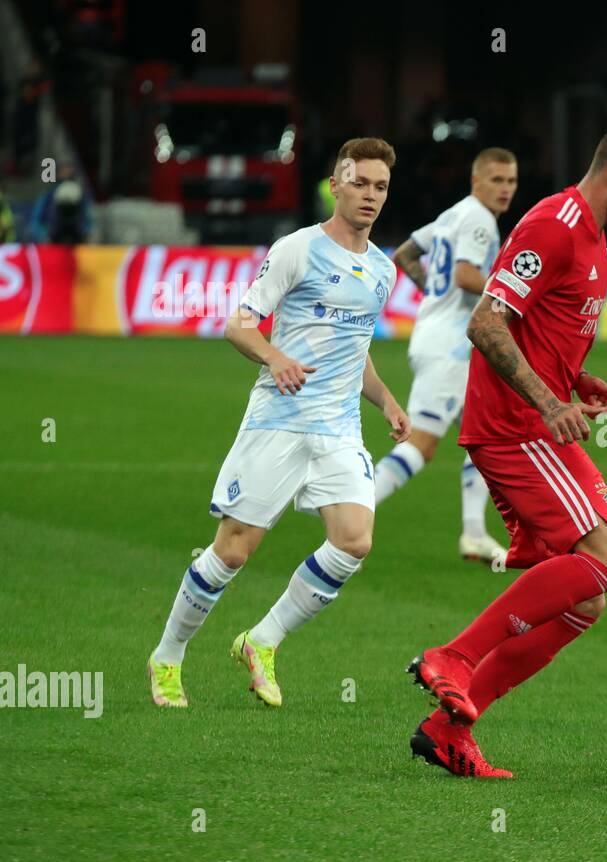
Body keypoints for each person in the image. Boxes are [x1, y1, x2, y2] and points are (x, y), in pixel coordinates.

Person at [406, 114, 607, 777]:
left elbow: (534, 329)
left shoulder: (590, 238)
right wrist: (549, 400)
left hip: (532, 420)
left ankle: (449, 728)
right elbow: (487, 321)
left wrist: (574, 380)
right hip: (514, 428)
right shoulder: (554, 227)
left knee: (583, 599)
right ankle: (454, 658)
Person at [146, 137, 410, 708]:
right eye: (359, 182)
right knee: (234, 551)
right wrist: (275, 356)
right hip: (278, 421)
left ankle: (261, 641)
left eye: (380, 187)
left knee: (354, 541)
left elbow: (354, 346)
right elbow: (239, 324)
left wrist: (385, 399)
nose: (369, 195)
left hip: (339, 430)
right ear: (336, 184)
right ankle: (167, 657)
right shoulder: (296, 249)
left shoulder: (383, 271)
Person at [373, 148, 519, 564]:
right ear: (476, 181)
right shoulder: (478, 219)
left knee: (490, 437)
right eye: (497, 180)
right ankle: (355, 509)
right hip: (453, 347)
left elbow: (404, 254)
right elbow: (467, 275)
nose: (505, 189)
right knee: (422, 444)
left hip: (435, 336)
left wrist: (434, 297)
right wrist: (514, 295)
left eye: (511, 181)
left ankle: (474, 533)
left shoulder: (454, 214)